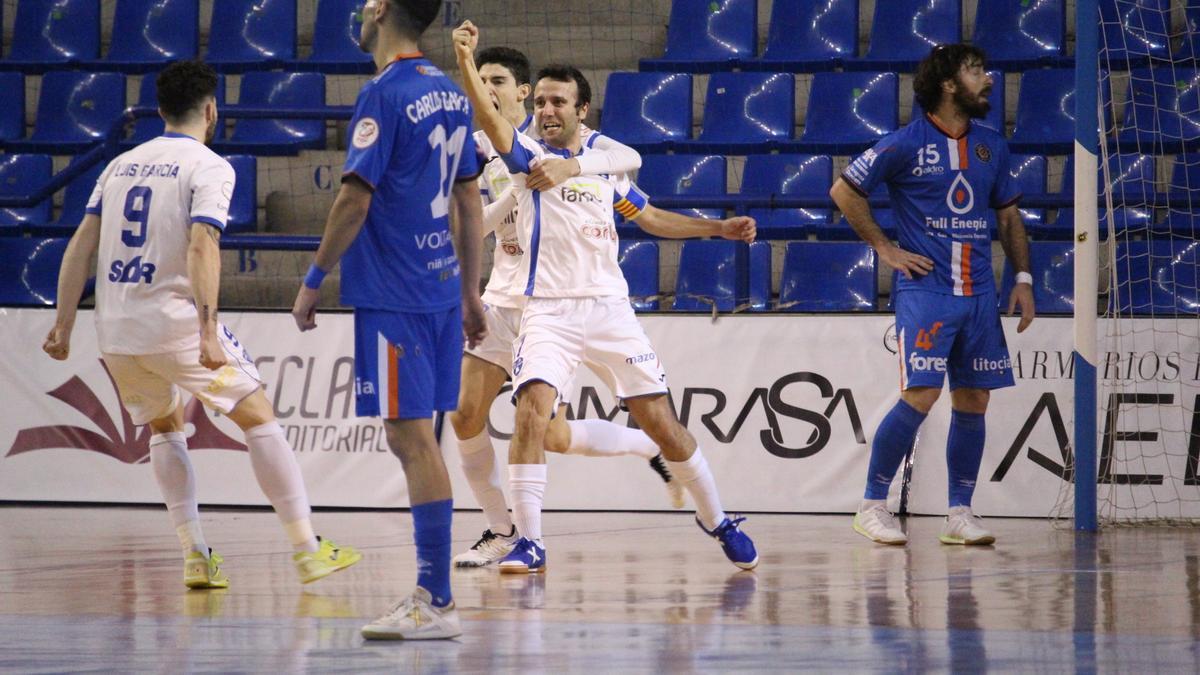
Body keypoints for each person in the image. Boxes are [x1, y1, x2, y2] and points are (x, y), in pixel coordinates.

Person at [43, 59, 362, 590]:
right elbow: (202, 244)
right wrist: (209, 331)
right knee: (258, 414)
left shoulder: (120, 164)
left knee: (164, 426)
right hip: (173, 322)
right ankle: (308, 549)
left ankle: (195, 556)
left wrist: (64, 322)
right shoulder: (210, 166)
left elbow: (82, 242)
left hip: (116, 326)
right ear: (212, 111)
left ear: (161, 110)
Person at [454, 20, 759, 575]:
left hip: (609, 310)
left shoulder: (604, 160)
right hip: (545, 308)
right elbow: (489, 119)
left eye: (558, 102)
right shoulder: (524, 157)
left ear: (581, 110)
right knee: (531, 414)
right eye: (540, 101)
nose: (547, 110)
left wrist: (716, 229)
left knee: (662, 424)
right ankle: (527, 539)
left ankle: (717, 518)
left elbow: (648, 213)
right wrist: (466, 62)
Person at [290, 0, 485, 640]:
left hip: (394, 294)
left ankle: (436, 600)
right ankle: (436, 598)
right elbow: (467, 199)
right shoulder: (453, 94)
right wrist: (471, 292)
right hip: (438, 288)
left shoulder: (383, 94)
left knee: (411, 440)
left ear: (379, 12)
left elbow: (353, 197)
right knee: (422, 438)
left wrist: (315, 277)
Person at [829, 43, 1035, 546]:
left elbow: (1007, 216)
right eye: (975, 71)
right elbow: (843, 191)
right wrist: (885, 248)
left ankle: (960, 514)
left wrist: (1024, 280)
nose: (988, 78)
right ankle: (872, 505)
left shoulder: (992, 145)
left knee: (974, 399)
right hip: (927, 290)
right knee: (920, 395)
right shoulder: (903, 143)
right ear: (948, 85)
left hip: (981, 293)